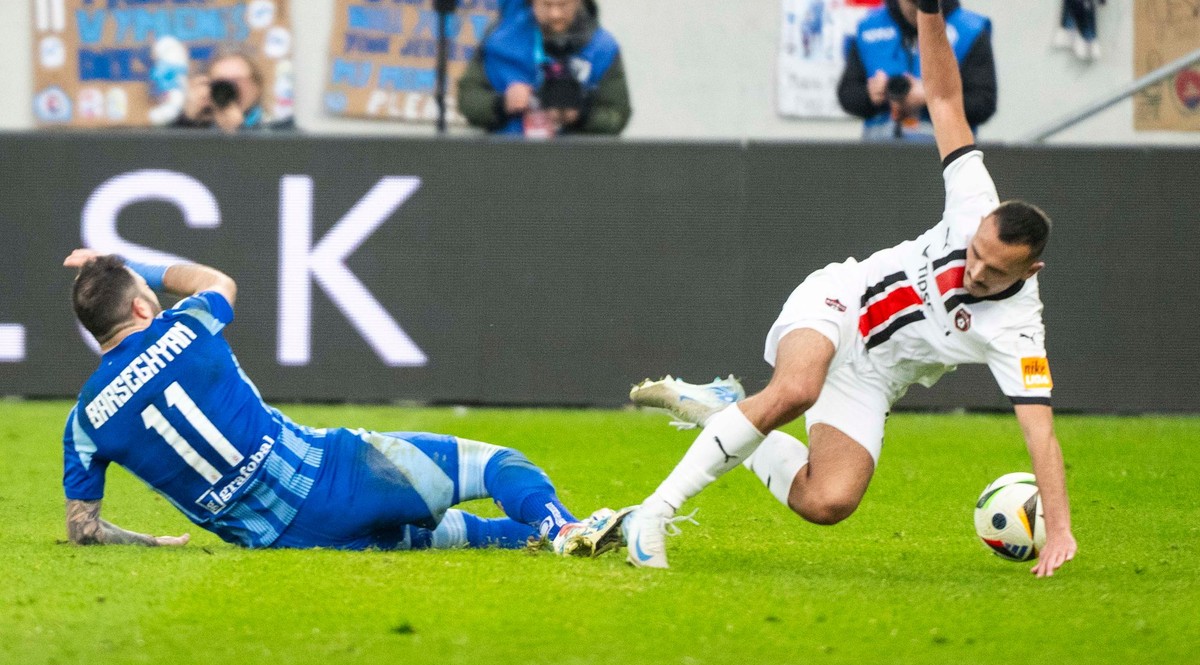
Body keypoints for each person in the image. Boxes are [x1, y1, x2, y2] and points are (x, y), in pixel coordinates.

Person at [621, 0, 1077, 578]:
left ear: (1029, 274)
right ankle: (653, 516)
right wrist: (930, 15)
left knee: (828, 501)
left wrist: (1059, 527)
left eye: (995, 273)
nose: (975, 272)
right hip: (842, 301)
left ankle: (726, 412)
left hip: (874, 378)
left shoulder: (1019, 331)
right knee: (796, 389)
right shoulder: (973, 200)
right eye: (975, 254)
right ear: (980, 227)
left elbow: (1040, 430)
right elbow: (943, 99)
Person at [60, 250, 627, 555]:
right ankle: (566, 529)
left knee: (469, 536)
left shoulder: (84, 422)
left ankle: (556, 536)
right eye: (146, 294)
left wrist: (150, 542)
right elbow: (215, 279)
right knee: (498, 466)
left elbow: (83, 529)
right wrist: (135, 263)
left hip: (291, 543)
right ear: (140, 309)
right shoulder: (189, 324)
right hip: (337, 477)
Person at [457, 0, 631, 137]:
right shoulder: (499, 40)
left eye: (563, 5)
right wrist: (502, 104)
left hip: (574, 166)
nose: (555, 14)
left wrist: (580, 116)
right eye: (546, 4)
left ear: (579, 2)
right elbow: (467, 98)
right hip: (507, 159)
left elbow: (618, 116)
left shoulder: (603, 49)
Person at [837, 0, 995, 142]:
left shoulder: (970, 30)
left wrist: (932, 97)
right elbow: (847, 94)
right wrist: (871, 95)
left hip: (946, 155)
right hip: (880, 156)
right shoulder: (868, 27)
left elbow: (983, 103)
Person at [172, 45, 295, 133]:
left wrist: (239, 131)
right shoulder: (201, 128)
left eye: (237, 81)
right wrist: (187, 120)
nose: (229, 88)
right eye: (221, 82)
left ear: (257, 87)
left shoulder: (279, 127)